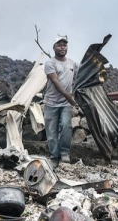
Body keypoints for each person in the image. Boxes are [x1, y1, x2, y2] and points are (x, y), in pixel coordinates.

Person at [44, 35, 79, 168]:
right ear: (54, 47)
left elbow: (82, 75)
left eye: (64, 44)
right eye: (59, 45)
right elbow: (55, 80)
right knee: (51, 131)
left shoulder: (72, 63)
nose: (62, 47)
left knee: (66, 126)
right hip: (51, 102)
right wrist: (68, 96)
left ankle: (64, 153)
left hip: (65, 104)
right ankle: (54, 156)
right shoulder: (50, 63)